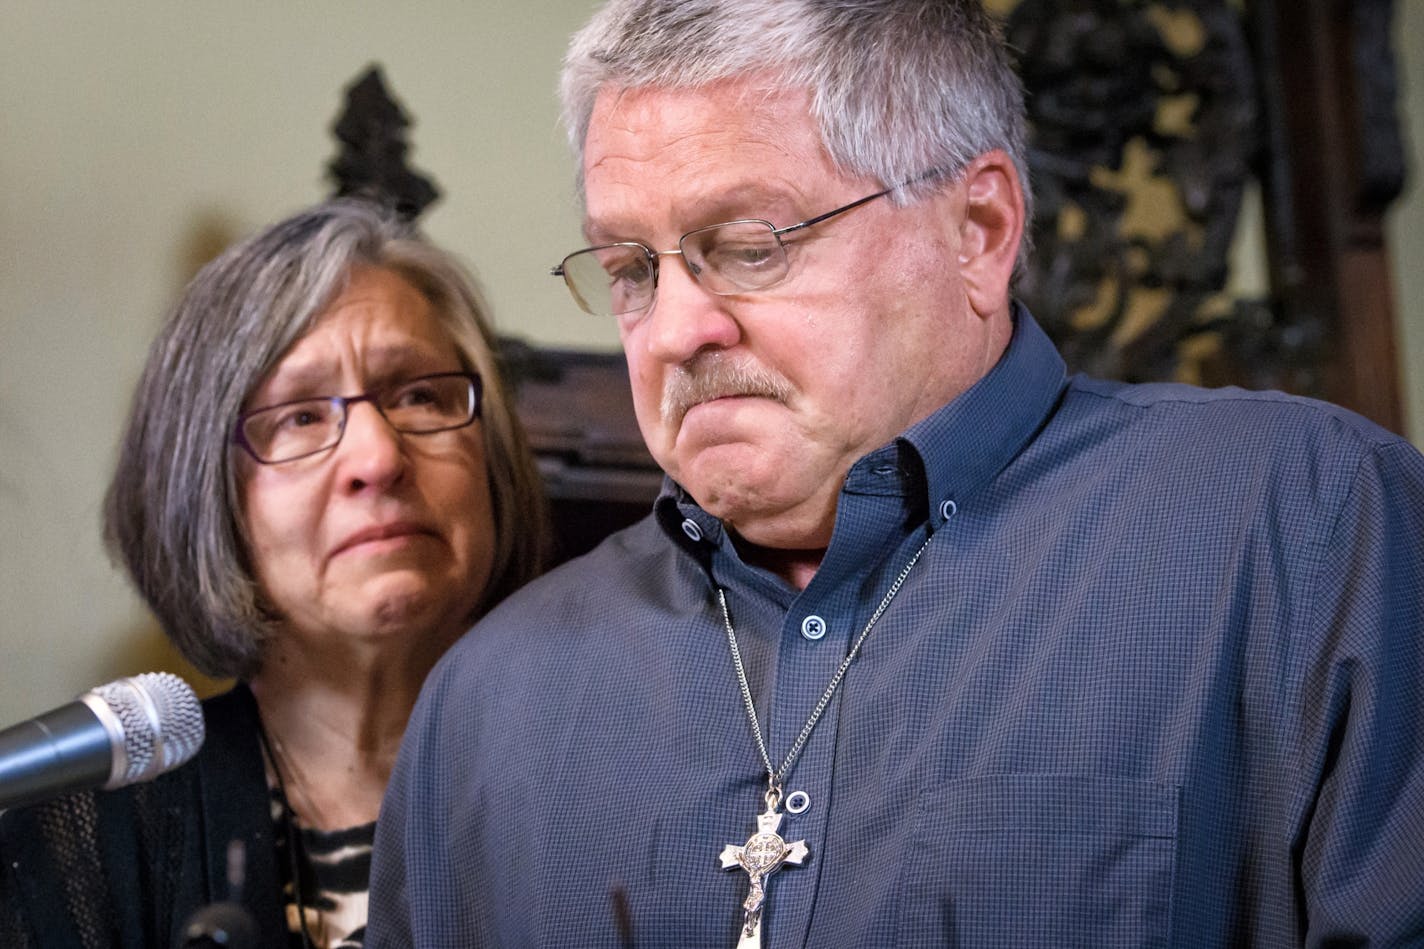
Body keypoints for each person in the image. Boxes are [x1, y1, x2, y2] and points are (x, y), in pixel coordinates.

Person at [367, 1, 1424, 946]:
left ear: (978, 229)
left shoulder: (1300, 521)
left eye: (747, 244)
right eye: (635, 269)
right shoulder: (484, 700)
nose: (678, 328)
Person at [0, 198, 548, 949]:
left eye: (419, 394)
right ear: (207, 492)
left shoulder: (609, 784)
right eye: (299, 416)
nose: (378, 458)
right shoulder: (85, 839)